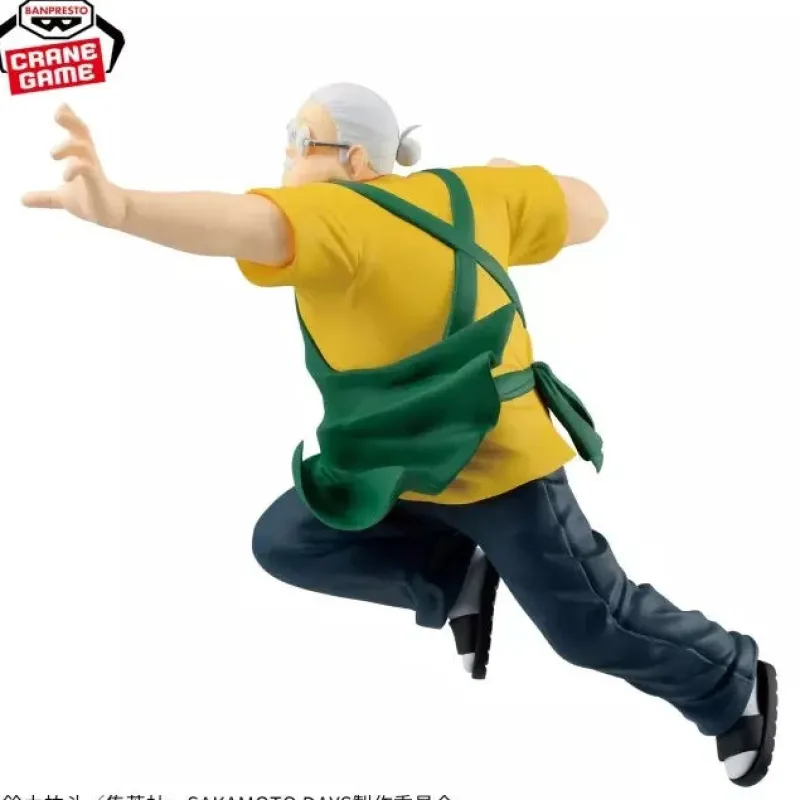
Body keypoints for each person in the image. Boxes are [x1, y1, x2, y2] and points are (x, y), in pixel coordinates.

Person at [21, 82, 777, 787]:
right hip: (388, 467)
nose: (286, 157)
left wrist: (121, 207)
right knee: (289, 539)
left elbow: (240, 223)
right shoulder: (472, 192)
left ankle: (726, 675)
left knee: (591, 624)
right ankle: (455, 572)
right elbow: (590, 209)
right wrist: (518, 184)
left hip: (495, 465)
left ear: (355, 159)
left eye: (301, 141)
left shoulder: (334, 215)